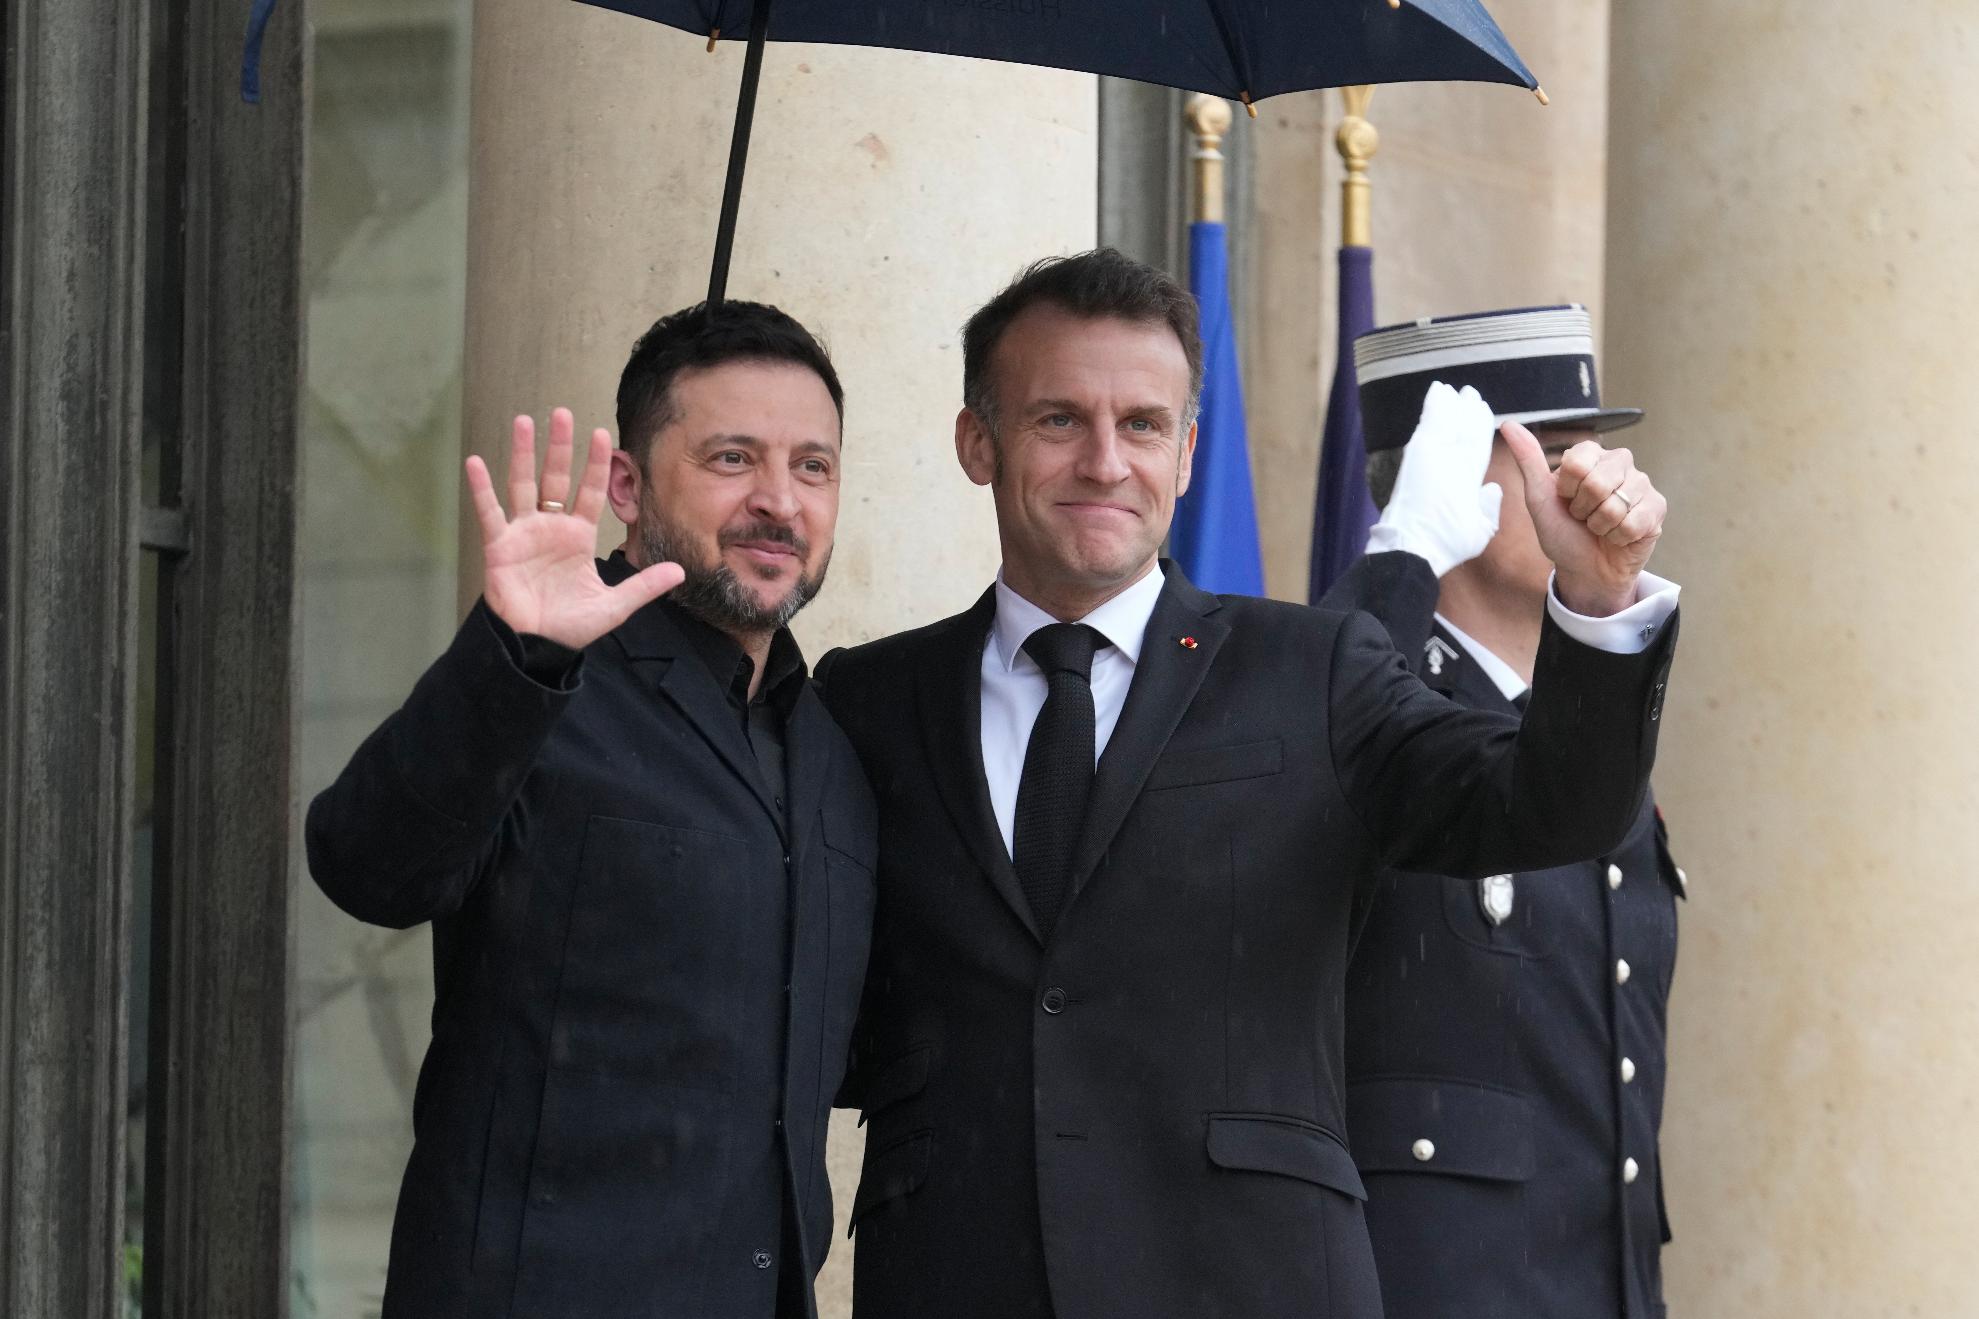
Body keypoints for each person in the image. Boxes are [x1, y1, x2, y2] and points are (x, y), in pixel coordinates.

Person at [815, 250, 1681, 1319]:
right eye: (1057, 419)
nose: (1104, 460)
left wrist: (1596, 604)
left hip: (1247, 1280)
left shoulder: (1309, 667)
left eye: (1142, 424)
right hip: (955, 1275)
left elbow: (1549, 807)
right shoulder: (866, 699)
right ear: (976, 442)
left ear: (1186, 454)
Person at [306, 299, 876, 1319]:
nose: (779, 501)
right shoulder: (543, 682)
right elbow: (366, 864)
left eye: (812, 466)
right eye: (732, 458)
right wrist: (515, 652)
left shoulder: (832, 751)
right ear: (626, 485)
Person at [1326, 305, 1684, 1319]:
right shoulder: (1365, 714)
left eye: (1590, 451)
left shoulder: (1587, 716)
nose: (1590, 482)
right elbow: (1285, 764)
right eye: (1549, 457)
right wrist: (1401, 554)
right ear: (1442, 479)